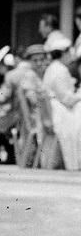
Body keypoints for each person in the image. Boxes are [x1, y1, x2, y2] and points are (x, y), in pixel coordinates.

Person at [42, 39, 81, 169]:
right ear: (63, 53)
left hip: (57, 109)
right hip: (59, 111)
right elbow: (67, 99)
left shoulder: (54, 68)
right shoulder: (59, 70)